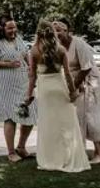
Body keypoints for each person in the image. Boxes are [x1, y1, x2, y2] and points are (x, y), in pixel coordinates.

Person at [24, 21, 90, 173]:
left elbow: (32, 76)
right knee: (66, 124)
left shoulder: (34, 51)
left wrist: (29, 95)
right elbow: (67, 74)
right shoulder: (60, 50)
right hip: (59, 87)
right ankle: (67, 157)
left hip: (45, 90)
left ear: (38, 33)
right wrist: (72, 91)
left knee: (49, 125)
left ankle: (50, 158)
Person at [53, 19, 100, 163]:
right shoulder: (58, 46)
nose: (57, 34)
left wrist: (74, 86)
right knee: (77, 116)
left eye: (60, 31)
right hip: (74, 81)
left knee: (91, 117)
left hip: (90, 81)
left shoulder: (79, 44)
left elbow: (86, 68)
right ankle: (78, 151)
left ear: (67, 31)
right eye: (54, 31)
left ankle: (99, 153)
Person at [0, 14, 34, 162]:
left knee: (29, 113)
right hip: (4, 83)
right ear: (1, 28)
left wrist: (31, 67)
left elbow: (25, 54)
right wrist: (8, 64)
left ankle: (21, 147)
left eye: (14, 27)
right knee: (11, 116)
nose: (13, 30)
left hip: (22, 82)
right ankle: (11, 152)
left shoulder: (17, 39)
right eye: (10, 28)